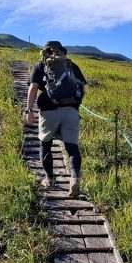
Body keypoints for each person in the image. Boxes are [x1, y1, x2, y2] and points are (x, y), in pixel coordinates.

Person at [23, 41, 88, 197]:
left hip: (48, 111)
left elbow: (33, 88)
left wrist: (29, 110)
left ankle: (50, 179)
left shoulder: (41, 65)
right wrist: (74, 104)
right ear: (62, 51)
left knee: (45, 144)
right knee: (72, 148)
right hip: (71, 111)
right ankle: (74, 180)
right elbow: (83, 89)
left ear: (45, 52)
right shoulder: (72, 66)